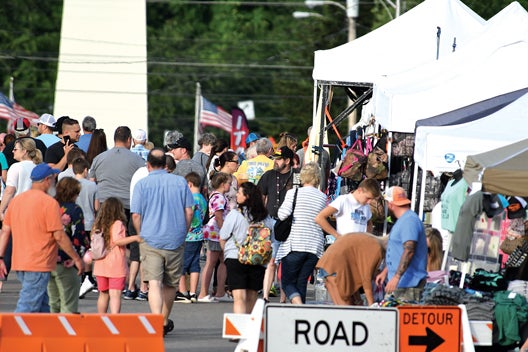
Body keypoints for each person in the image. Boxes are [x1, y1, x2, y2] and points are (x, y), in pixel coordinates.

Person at [0, 163, 84, 312]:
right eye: (53, 178)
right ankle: (15, 334)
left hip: (20, 261)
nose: (54, 182)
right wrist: (76, 258)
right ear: (47, 179)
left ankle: (43, 335)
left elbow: (5, 231)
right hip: (39, 261)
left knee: (43, 307)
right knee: (28, 306)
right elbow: (59, 235)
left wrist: (1, 257)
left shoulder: (16, 201)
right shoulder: (49, 203)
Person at [131, 148, 194, 336]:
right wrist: (184, 231)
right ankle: (164, 320)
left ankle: (155, 319)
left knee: (154, 283)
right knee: (170, 284)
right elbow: (189, 211)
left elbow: (136, 214)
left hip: (150, 238)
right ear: (166, 165)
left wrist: (140, 233)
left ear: (148, 165)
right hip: (175, 238)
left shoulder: (142, 184)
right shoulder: (180, 182)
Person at [89, 126, 145, 299]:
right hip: (128, 206)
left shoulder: (99, 158)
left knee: (104, 242)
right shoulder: (137, 160)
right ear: (129, 140)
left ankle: (103, 277)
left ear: (114, 139)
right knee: (129, 244)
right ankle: (131, 283)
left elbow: (92, 182)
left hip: (105, 205)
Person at [219, 182, 274, 314]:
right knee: (252, 297)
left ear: (247, 196)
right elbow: (272, 236)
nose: (236, 195)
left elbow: (223, 237)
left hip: (236, 258)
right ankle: (249, 329)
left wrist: (226, 256)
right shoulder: (265, 217)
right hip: (257, 259)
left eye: (239, 192)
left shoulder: (235, 214)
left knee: (239, 298)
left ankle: (238, 331)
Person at [276, 162, 326, 304]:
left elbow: (282, 215)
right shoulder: (322, 197)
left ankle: (298, 306)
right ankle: (300, 313)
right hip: (314, 245)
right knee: (301, 282)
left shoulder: (293, 193)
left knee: (287, 281)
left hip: (295, 243)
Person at [257, 146, 300, 302]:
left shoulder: (297, 177)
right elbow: (261, 197)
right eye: (274, 158)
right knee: (271, 261)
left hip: (290, 223)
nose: (275, 161)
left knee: (287, 261)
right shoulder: (268, 175)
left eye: (279, 159)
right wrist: (259, 218)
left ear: (287, 161)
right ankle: (266, 295)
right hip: (271, 222)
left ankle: (283, 297)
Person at [375, 186, 427, 301]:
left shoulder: (409, 221)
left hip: (407, 286)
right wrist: (386, 271)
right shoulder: (405, 220)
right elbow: (398, 250)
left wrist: (396, 277)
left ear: (391, 204)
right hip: (402, 283)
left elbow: (409, 250)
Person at [91, 197, 141, 313]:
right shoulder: (117, 223)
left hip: (100, 264)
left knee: (103, 294)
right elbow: (118, 240)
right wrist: (135, 238)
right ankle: (114, 320)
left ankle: (101, 318)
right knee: (115, 294)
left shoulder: (97, 225)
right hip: (115, 265)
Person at [48, 177, 89, 313]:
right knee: (68, 303)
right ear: (73, 193)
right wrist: (78, 257)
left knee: (53, 303)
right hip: (67, 259)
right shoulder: (75, 210)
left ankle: (52, 332)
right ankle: (65, 333)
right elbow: (78, 235)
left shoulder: (50, 206)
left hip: (48, 259)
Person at [316, 233, 386, 306]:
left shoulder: (368, 242)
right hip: (335, 265)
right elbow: (366, 277)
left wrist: (358, 300)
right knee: (345, 307)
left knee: (341, 307)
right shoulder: (376, 248)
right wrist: (371, 304)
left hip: (327, 262)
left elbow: (354, 280)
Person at [198, 172, 232, 302]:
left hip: (214, 232)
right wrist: (225, 232)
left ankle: (220, 292)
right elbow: (218, 217)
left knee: (222, 262)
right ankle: (203, 293)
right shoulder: (220, 198)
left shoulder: (214, 195)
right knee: (211, 262)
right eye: (229, 183)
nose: (230, 185)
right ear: (223, 184)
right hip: (216, 233)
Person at [175, 172, 207, 303]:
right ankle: (193, 292)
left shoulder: (191, 199)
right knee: (195, 265)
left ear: (189, 184)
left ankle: (183, 292)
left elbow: (189, 213)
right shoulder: (202, 199)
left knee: (181, 265)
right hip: (199, 235)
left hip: (188, 235)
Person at [315, 178, 381, 239]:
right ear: (359, 190)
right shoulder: (343, 200)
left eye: (371, 199)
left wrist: (366, 238)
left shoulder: (366, 206)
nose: (369, 202)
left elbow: (369, 223)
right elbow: (319, 218)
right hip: (344, 246)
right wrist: (337, 236)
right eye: (368, 198)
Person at [73, 157, 100, 297]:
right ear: (85, 170)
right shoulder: (93, 186)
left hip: (74, 222)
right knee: (88, 252)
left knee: (76, 251)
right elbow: (96, 207)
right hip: (89, 222)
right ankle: (87, 277)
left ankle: (79, 278)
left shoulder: (70, 185)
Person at [297, 126, 331, 192]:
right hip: (303, 193)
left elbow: (327, 174)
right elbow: (296, 174)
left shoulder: (325, 154)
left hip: (320, 192)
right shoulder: (300, 153)